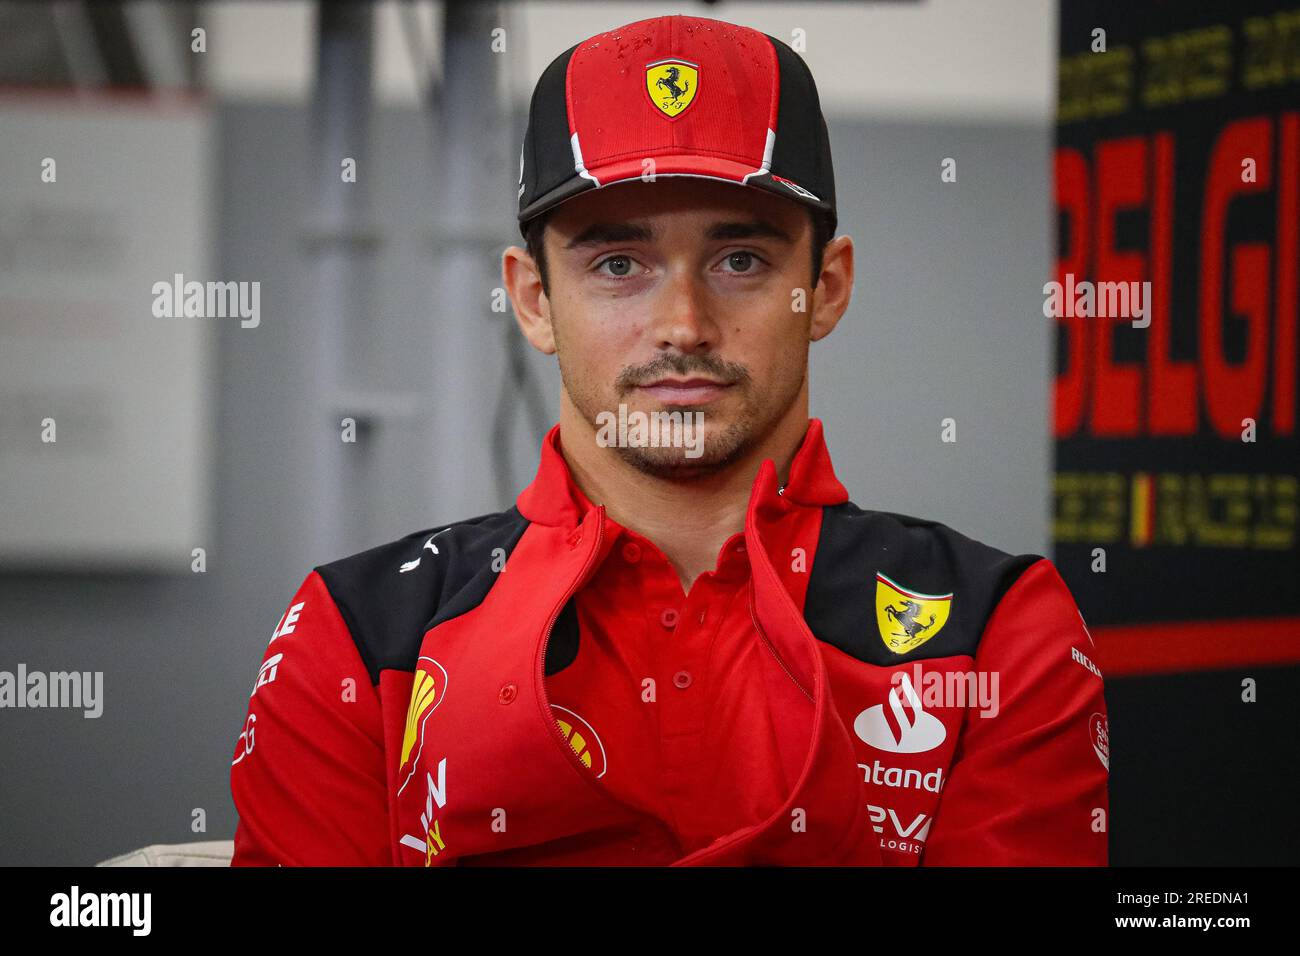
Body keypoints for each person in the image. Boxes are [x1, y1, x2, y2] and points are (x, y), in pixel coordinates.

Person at [229, 13, 1109, 866]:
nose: (683, 324)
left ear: (828, 288)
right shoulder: (352, 637)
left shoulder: (1000, 629)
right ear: (534, 299)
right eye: (619, 265)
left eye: (742, 261)